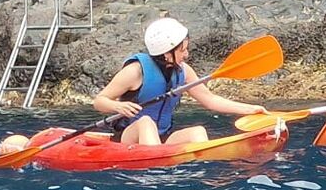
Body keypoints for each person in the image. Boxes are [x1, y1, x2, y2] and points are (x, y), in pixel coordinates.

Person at [92, 16, 266, 147]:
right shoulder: (135, 71)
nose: (186, 54)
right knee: (146, 122)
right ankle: (156, 171)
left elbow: (210, 100)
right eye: (182, 50)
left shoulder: (184, 71)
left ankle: (196, 172)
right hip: (128, 138)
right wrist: (117, 107)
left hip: (162, 139)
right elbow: (99, 101)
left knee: (198, 132)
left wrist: (251, 109)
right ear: (167, 53)